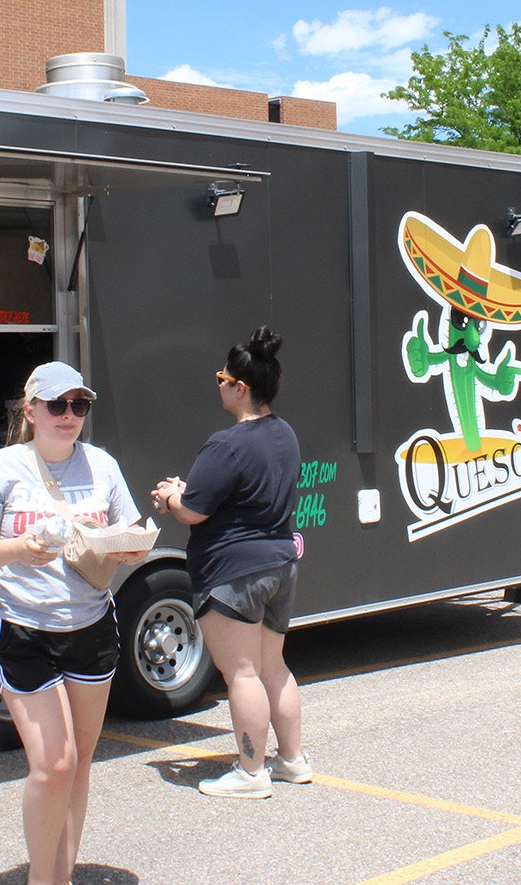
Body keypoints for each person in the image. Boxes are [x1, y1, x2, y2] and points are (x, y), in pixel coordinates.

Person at [0, 360, 146, 885]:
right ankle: (45, 879)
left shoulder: (102, 466)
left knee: (79, 763)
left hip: (90, 627)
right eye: (57, 405)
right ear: (31, 409)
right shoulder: (1, 468)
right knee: (53, 765)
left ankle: (61, 873)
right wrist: (18, 548)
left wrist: (127, 547)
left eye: (79, 405)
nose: (68, 416)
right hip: (23, 629)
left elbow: (127, 529)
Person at [151, 326, 309, 800]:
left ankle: (250, 772)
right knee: (273, 667)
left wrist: (170, 497)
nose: (217, 384)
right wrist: (190, 494)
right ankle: (292, 761)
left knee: (241, 672)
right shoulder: (284, 433)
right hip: (280, 564)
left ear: (240, 387)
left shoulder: (227, 444)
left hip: (233, 573)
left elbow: (195, 509)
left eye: (221, 378)